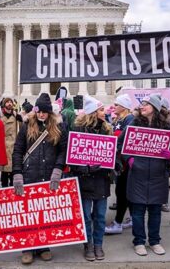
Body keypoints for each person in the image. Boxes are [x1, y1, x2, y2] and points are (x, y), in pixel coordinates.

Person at [118, 94, 170, 257]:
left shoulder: (166, 127)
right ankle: (139, 241)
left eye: (146, 104)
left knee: (155, 211)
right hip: (138, 173)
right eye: (141, 104)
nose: (142, 106)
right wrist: (128, 158)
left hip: (158, 175)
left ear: (155, 108)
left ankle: (154, 241)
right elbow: (120, 144)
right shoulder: (133, 123)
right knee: (137, 211)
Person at [12, 93, 67, 265]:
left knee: (45, 214)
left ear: (49, 113)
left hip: (48, 175)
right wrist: (17, 173)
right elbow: (18, 150)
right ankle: (28, 246)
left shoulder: (59, 127)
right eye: (39, 111)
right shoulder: (26, 126)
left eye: (45, 111)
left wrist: (58, 169)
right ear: (35, 111)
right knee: (29, 213)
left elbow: (63, 151)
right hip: (30, 174)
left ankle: (43, 246)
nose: (42, 114)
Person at [71, 95, 112, 261]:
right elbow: (72, 159)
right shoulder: (78, 131)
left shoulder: (107, 129)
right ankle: (88, 244)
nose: (104, 112)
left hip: (102, 180)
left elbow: (113, 156)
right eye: (101, 110)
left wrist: (113, 165)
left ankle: (98, 244)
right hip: (85, 180)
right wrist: (86, 167)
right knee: (86, 216)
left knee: (100, 216)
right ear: (92, 113)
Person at [105, 94, 134, 235]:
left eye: (117, 104)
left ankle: (118, 222)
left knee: (122, 191)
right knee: (122, 190)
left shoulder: (130, 119)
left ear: (124, 107)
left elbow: (125, 138)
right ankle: (132, 218)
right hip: (119, 160)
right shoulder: (119, 119)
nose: (114, 106)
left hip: (125, 161)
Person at [0, 97, 23, 187]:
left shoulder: (16, 115)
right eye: (7, 102)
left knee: (14, 170)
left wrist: (21, 120)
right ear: (4, 104)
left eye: (10, 102)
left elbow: (21, 129)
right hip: (4, 146)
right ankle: (4, 188)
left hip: (13, 145)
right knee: (5, 173)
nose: (9, 104)